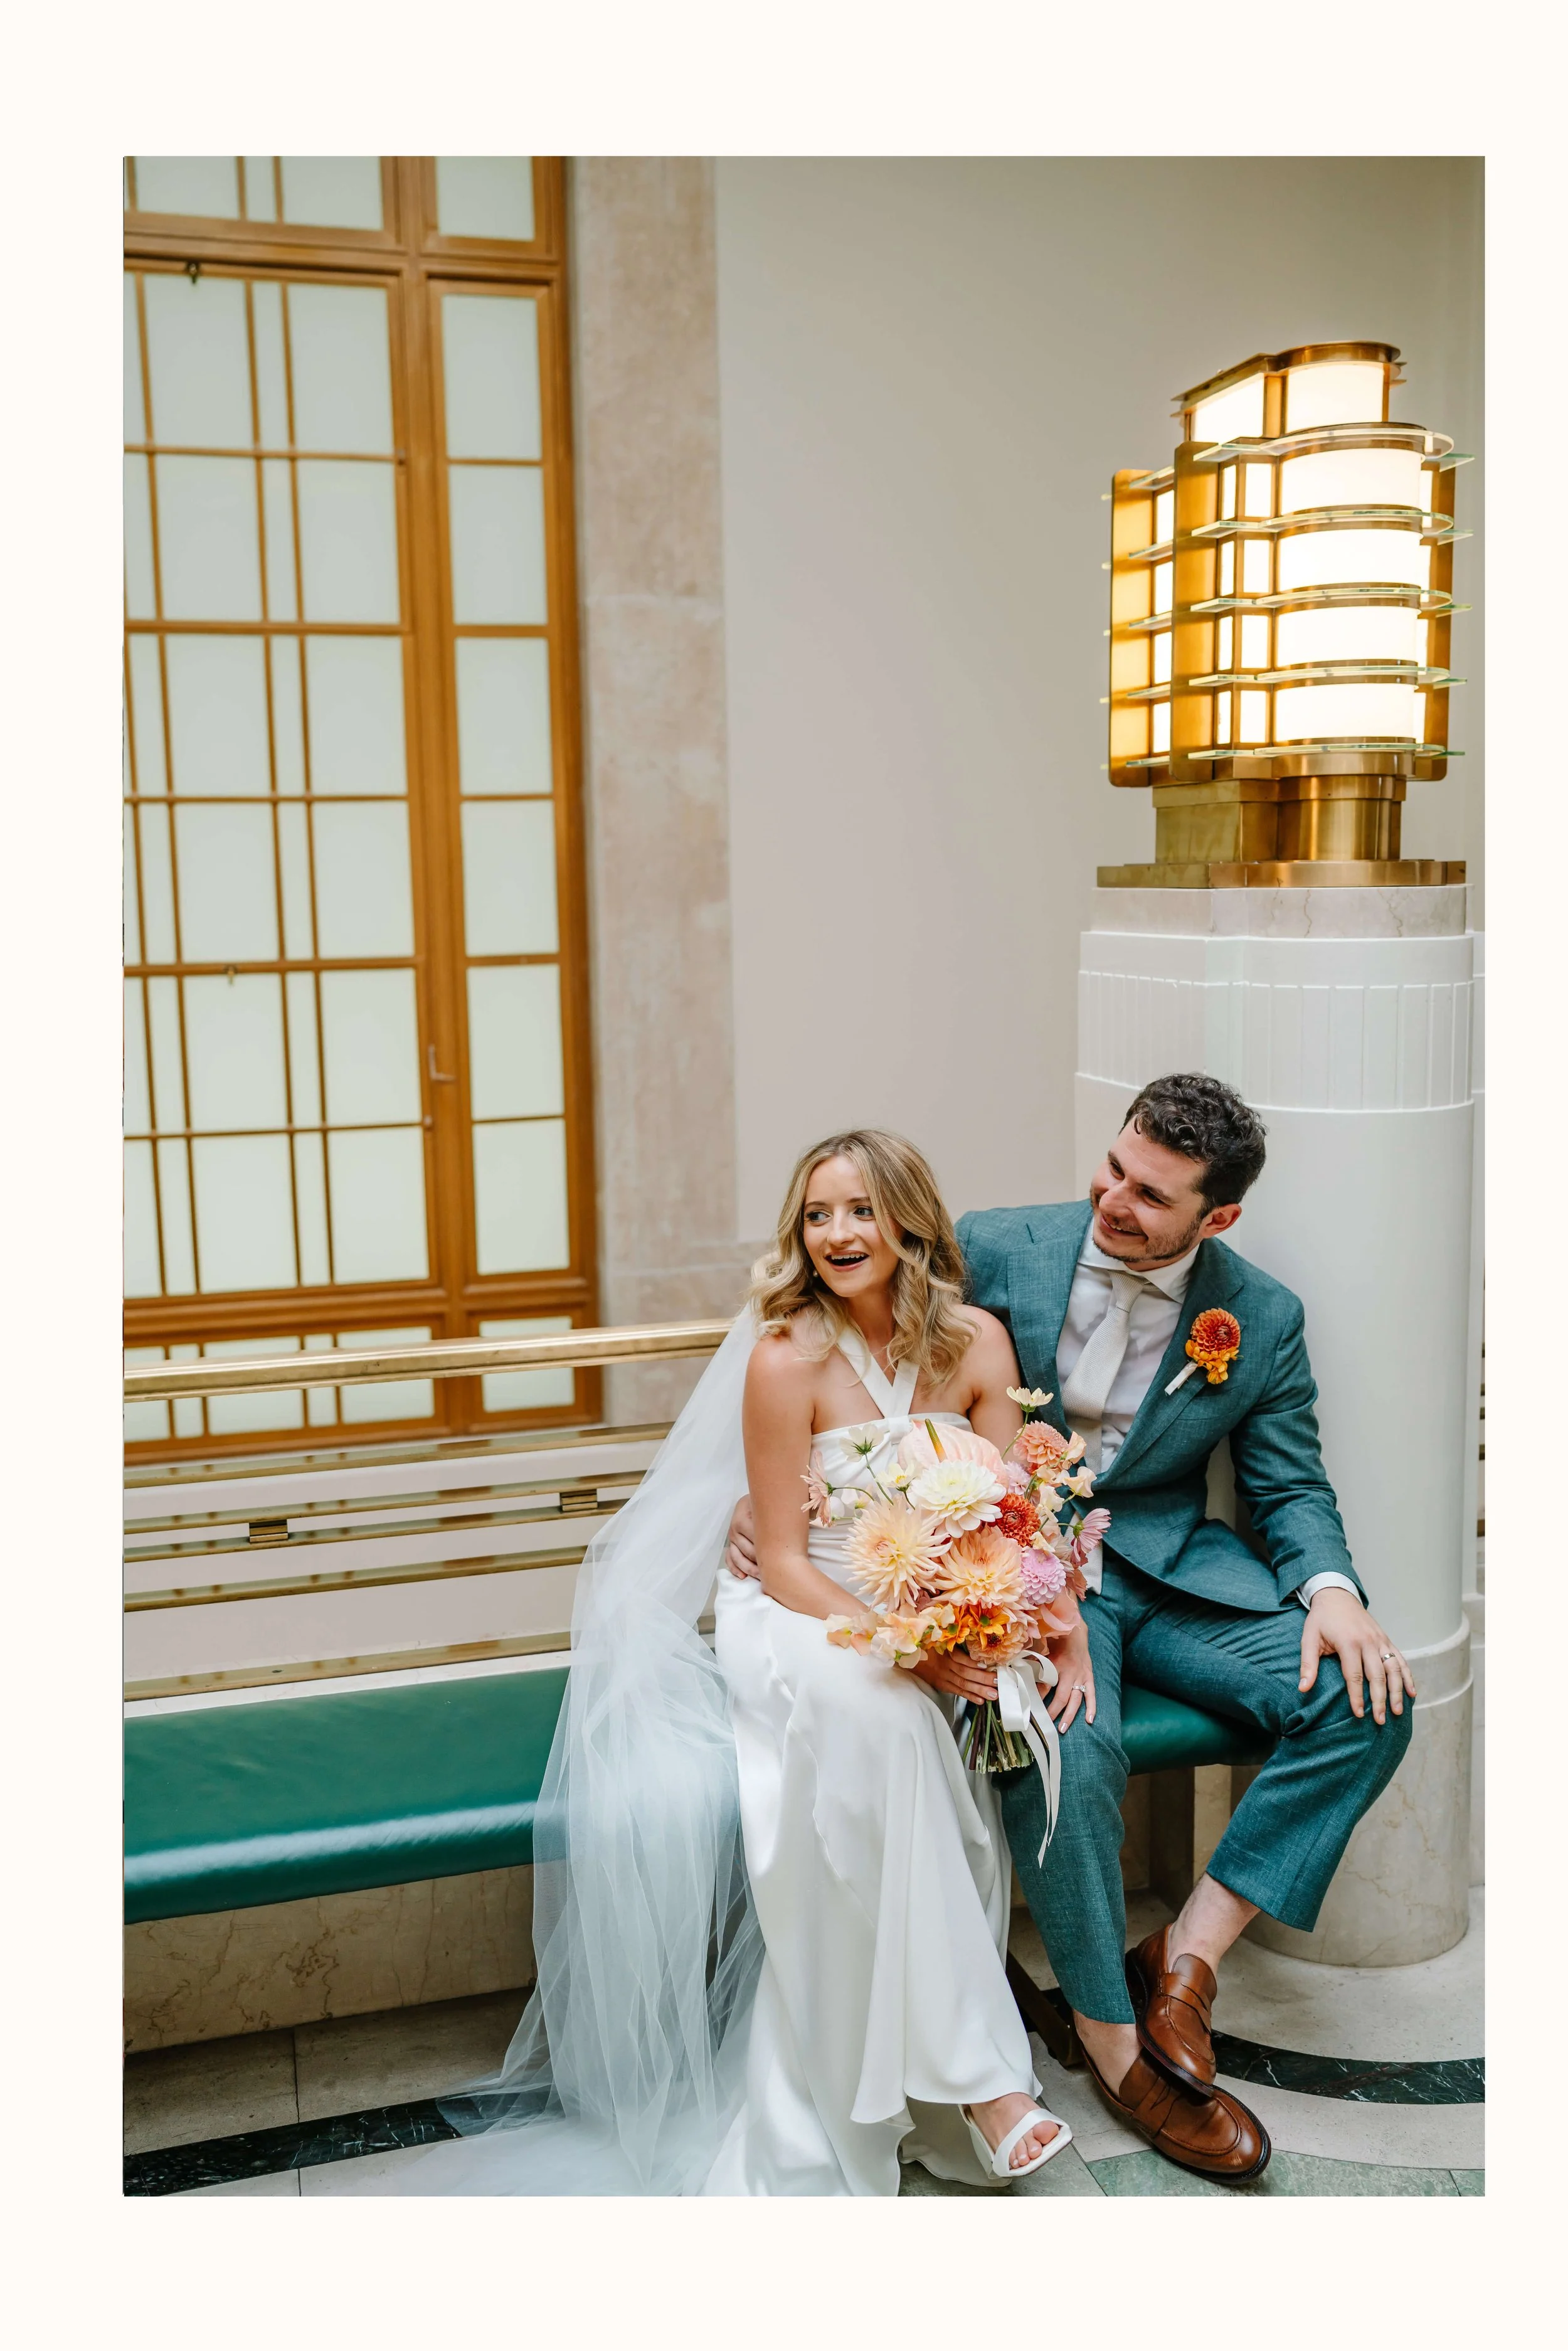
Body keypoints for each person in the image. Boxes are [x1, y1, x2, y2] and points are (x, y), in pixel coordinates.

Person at [727, 1073, 1416, 2186]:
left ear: (1217, 1218)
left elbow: (1290, 1488)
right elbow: (858, 1352)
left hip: (1180, 1575)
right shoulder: (998, 1247)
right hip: (1027, 1574)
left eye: (1151, 1195)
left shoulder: (1264, 1316)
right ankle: (1110, 2038)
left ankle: (1183, 1961)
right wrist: (777, 1506)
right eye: (1115, 1167)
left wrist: (1333, 1590)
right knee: (1057, 1749)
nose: (1113, 1199)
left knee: (1367, 1700)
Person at [362, 1127, 1076, 2197]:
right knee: (882, 1715)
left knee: (916, 1749)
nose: (835, 1234)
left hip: (930, 1610)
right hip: (799, 1611)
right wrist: (908, 1653)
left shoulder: (976, 1346)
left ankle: (936, 2074)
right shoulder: (786, 1356)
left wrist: (1033, 1621)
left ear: (909, 1219)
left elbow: (1018, 1510)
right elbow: (781, 1559)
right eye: (816, 1215)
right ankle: (985, 2084)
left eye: (859, 1210)